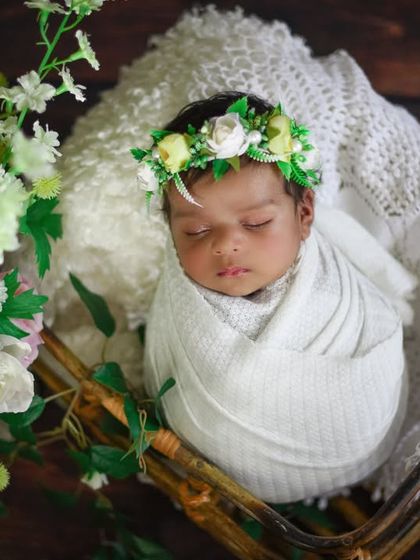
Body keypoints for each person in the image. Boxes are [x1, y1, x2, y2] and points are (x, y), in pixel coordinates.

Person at [134, 91, 414, 503]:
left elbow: (378, 324)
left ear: (304, 216)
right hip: (233, 469)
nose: (227, 244)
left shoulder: (333, 291)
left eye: (257, 223)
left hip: (367, 434)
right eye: (195, 231)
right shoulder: (182, 291)